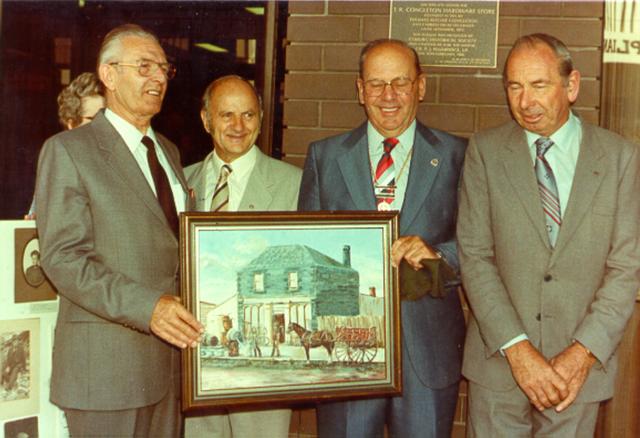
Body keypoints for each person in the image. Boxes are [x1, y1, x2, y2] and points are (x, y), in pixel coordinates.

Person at [457, 33, 640, 437]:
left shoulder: (619, 158)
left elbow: (627, 268)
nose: (525, 102)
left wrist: (582, 354)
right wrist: (519, 351)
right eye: (514, 87)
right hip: (500, 367)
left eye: (539, 85)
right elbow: (475, 257)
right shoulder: (485, 152)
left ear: (571, 85)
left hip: (575, 376)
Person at [35, 23, 204, 437]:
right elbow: (63, 259)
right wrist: (149, 307)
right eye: (144, 66)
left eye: (164, 69)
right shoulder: (69, 151)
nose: (159, 78)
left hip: (170, 372)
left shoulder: (167, 151)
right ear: (108, 75)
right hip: (105, 375)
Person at [298, 39, 467, 437]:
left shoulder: (459, 154)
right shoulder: (325, 156)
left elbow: (478, 246)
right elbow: (308, 247)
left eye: (400, 82)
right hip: (346, 349)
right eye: (376, 84)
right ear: (359, 90)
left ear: (420, 87)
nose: (388, 96)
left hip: (427, 349)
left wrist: (437, 255)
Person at [184, 75, 300, 438]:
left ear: (262, 118)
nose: (238, 126)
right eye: (226, 115)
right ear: (206, 119)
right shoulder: (178, 181)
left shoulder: (295, 184)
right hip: (192, 360)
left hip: (261, 377)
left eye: (248, 115)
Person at [25, 72, 105, 219]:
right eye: (93, 119)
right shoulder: (57, 163)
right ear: (71, 123)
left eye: (106, 119)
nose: (103, 127)